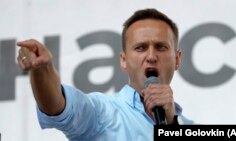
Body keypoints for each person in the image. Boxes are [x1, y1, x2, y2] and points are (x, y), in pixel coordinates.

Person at [17, 8, 193, 141]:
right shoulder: (102, 112)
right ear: (123, 60)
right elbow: (58, 106)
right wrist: (42, 69)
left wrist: (172, 126)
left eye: (161, 47)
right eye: (140, 48)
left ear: (177, 59)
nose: (152, 56)